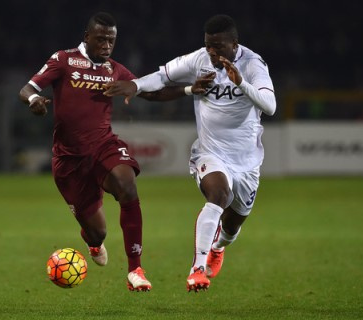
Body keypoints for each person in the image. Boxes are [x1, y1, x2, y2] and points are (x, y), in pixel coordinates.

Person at [104, 14, 276, 292]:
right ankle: (197, 269)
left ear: (234, 44)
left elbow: (270, 106)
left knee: (232, 226)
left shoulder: (253, 64)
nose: (212, 52)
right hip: (211, 152)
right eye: (208, 45)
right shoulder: (199, 60)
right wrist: (135, 86)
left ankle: (218, 248)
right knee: (218, 195)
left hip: (247, 161)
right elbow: (161, 76)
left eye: (218, 46)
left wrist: (241, 82)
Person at [19, 12, 188, 291]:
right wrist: (35, 99)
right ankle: (93, 242)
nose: (107, 45)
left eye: (111, 40)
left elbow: (152, 92)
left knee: (127, 186)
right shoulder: (64, 60)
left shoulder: (116, 69)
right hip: (69, 161)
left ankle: (136, 270)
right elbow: (28, 88)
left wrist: (191, 89)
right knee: (98, 232)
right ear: (87, 37)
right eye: (101, 39)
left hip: (103, 146)